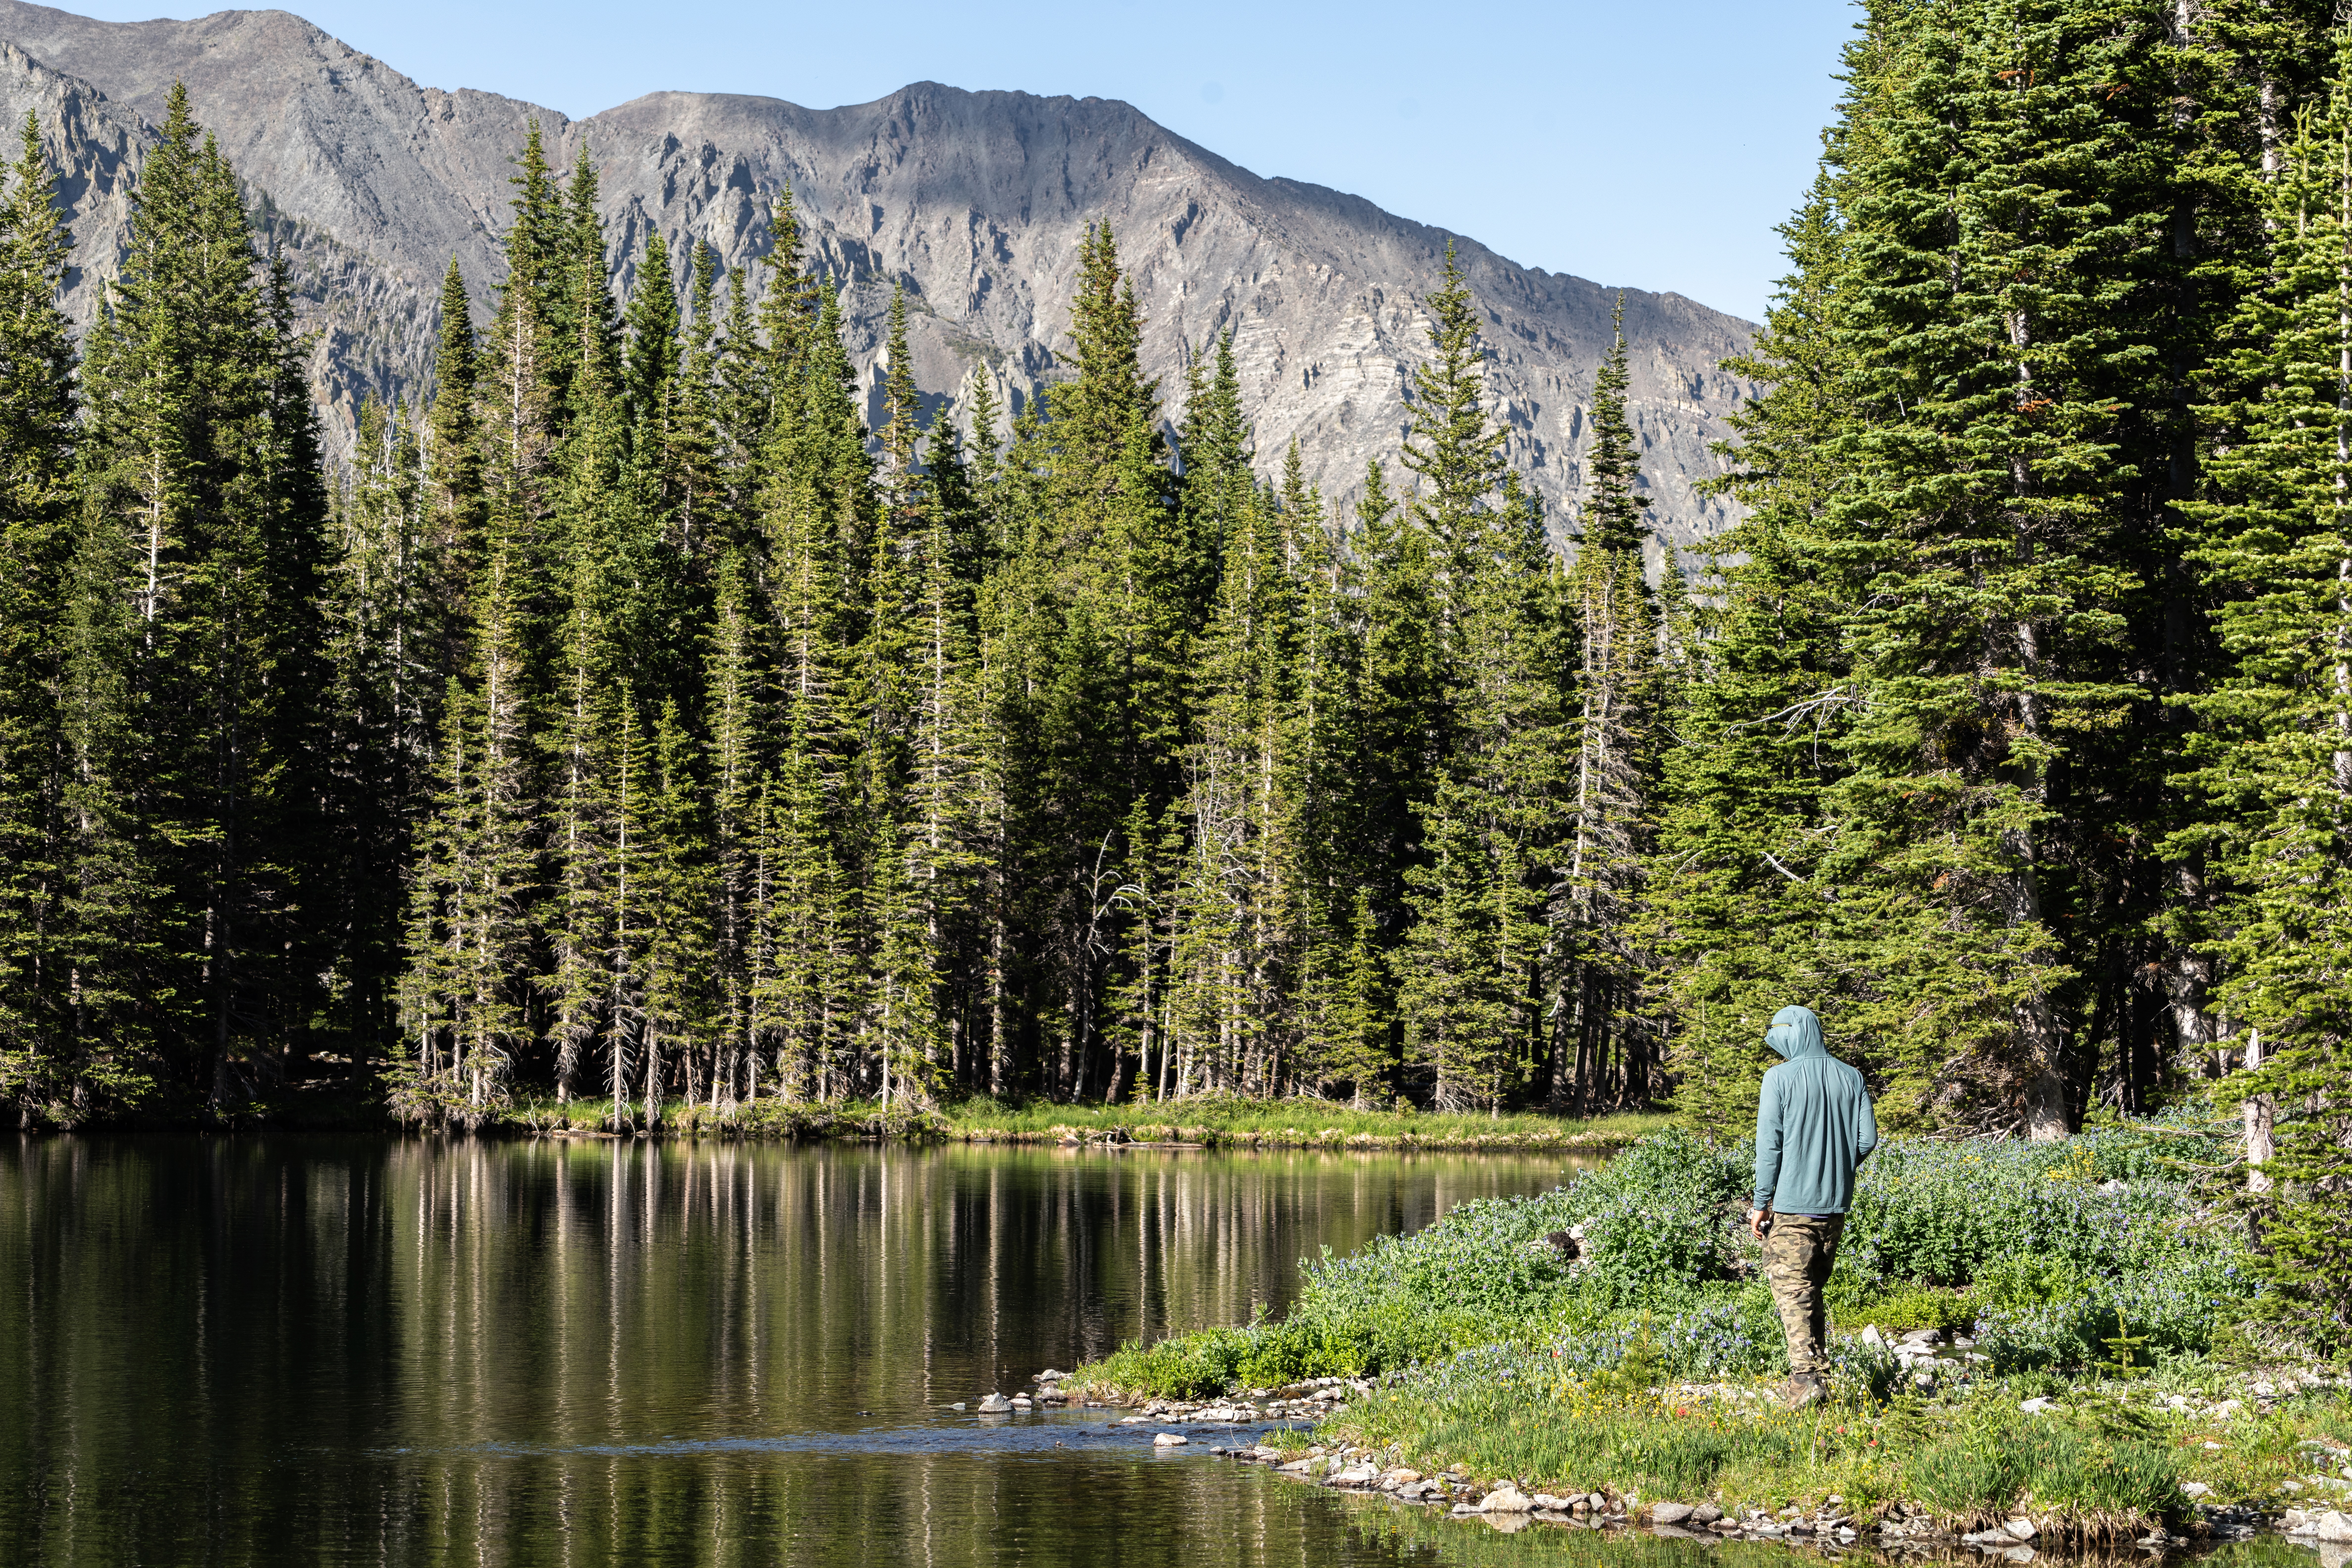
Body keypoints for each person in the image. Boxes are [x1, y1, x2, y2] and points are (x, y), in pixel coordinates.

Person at [1746, 1004, 1878, 1408]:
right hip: (1834, 1209)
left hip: (1790, 1207)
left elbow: (1770, 1146)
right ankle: (1818, 1375)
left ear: (1793, 1035)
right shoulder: (1851, 1077)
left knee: (1793, 1293)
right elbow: (1866, 1140)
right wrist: (1838, 1169)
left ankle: (1805, 1382)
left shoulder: (1778, 1078)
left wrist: (1761, 1203)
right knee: (1812, 1290)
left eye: (1778, 1036)